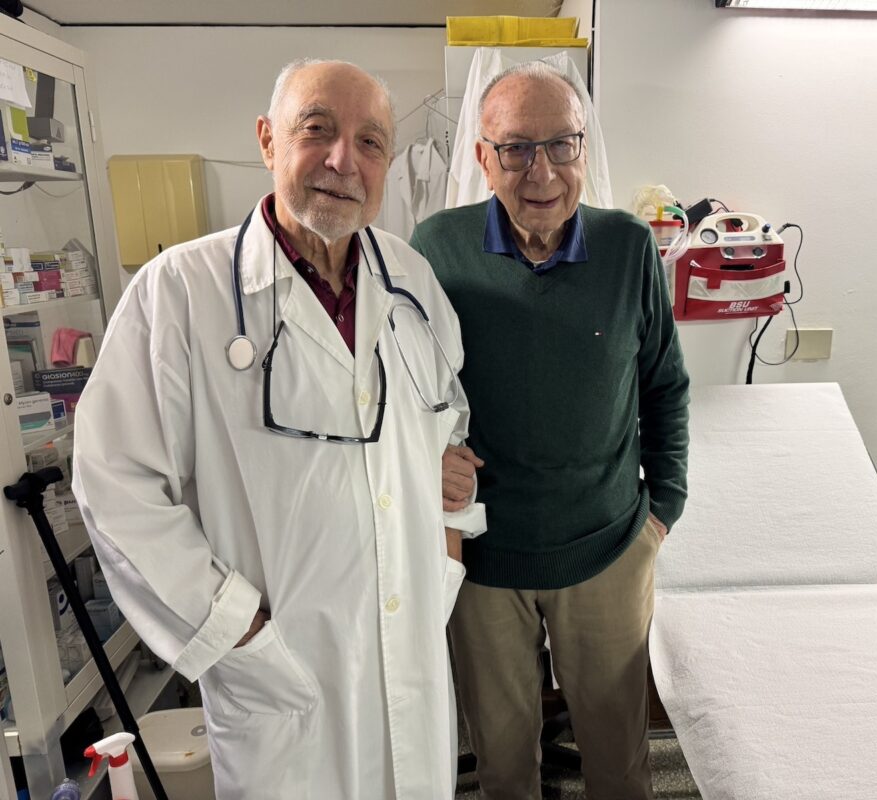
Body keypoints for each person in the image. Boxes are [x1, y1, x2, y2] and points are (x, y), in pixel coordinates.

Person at [73, 58, 483, 799]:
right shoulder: (179, 292)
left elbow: (446, 418)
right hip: (280, 673)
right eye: (317, 130)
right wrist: (235, 629)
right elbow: (116, 486)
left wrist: (446, 544)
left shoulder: (410, 280)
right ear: (267, 140)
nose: (343, 160)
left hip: (411, 646)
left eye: (369, 142)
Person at [411, 61, 690, 799]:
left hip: (607, 548)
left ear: (583, 149)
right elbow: (402, 393)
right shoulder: (435, 249)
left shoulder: (629, 248)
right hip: (483, 560)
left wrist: (662, 509)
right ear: (483, 158)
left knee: (619, 763)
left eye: (561, 145)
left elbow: (664, 384)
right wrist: (427, 458)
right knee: (502, 767)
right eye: (515, 149)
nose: (542, 172)